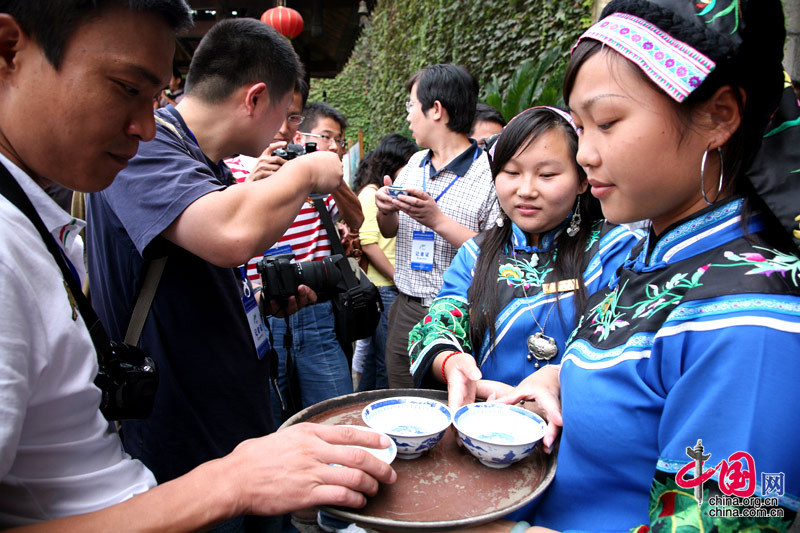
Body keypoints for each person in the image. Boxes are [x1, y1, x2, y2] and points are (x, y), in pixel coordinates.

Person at [0, 1, 395, 530]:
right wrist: (310, 172)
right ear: (9, 52)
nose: (143, 124)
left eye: (155, 94)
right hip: (190, 455)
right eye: (126, 87)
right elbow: (230, 233)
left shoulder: (178, 164)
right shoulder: (150, 151)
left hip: (222, 445)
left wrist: (253, 302)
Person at [490, 0, 800, 531]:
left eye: (607, 122)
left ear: (719, 116)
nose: (584, 155)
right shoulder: (642, 254)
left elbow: (725, 521)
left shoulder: (750, 321)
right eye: (580, 127)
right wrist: (559, 378)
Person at [408, 107, 644, 413]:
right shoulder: (474, 256)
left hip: (577, 426)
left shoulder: (616, 251)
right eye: (511, 172)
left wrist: (558, 376)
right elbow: (439, 324)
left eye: (547, 174)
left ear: (582, 180)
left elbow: (625, 340)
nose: (526, 190)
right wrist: (453, 364)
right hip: (487, 423)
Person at [376, 63, 501, 388]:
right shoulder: (415, 164)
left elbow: (498, 254)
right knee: (403, 411)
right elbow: (390, 231)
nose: (407, 117)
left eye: (410, 106)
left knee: (452, 411)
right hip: (406, 308)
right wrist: (385, 210)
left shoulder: (491, 175)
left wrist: (437, 221)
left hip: (460, 318)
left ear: (435, 110)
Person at [263, 100, 365, 427]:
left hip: (318, 310)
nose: (334, 146)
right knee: (270, 421)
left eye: (339, 140)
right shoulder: (240, 166)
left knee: (335, 415)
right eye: (327, 137)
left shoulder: (319, 182)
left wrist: (331, 179)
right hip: (265, 313)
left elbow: (357, 219)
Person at [351, 133, 418, 391]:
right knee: (385, 364)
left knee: (374, 361)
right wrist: (398, 279)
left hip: (390, 287)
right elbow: (368, 244)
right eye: (408, 164)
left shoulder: (387, 194)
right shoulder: (372, 195)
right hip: (385, 289)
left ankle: (362, 402)